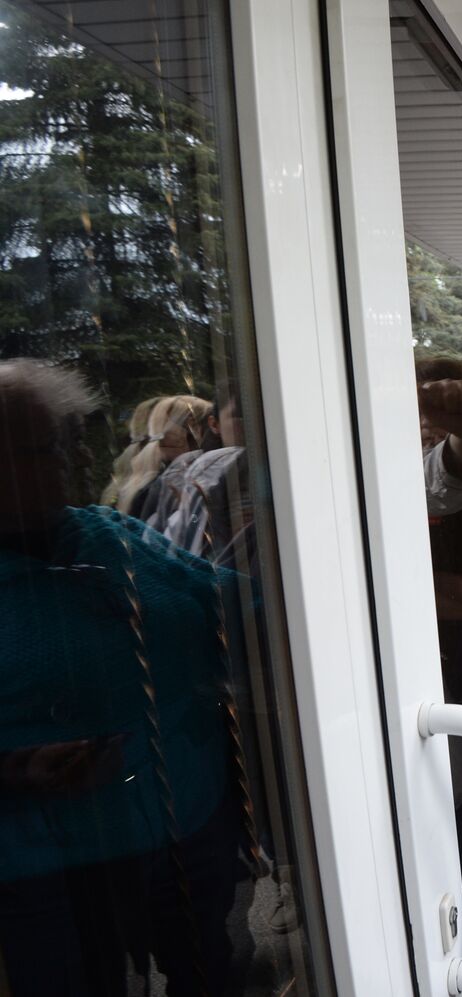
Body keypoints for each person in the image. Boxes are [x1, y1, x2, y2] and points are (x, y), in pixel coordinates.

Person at [0, 360, 256, 994]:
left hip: (184, 823)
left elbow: (221, 603)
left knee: (209, 973)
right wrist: (13, 769)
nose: (74, 457)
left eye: (74, 438)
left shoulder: (105, 529)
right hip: (50, 867)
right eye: (47, 447)